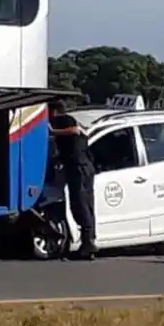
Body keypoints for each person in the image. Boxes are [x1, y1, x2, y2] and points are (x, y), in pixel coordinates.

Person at [48, 100, 98, 260]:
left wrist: (53, 131)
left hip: (79, 167)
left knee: (81, 204)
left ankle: (88, 243)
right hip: (82, 167)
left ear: (54, 111)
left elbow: (75, 130)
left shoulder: (64, 120)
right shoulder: (70, 121)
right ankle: (88, 244)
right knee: (85, 204)